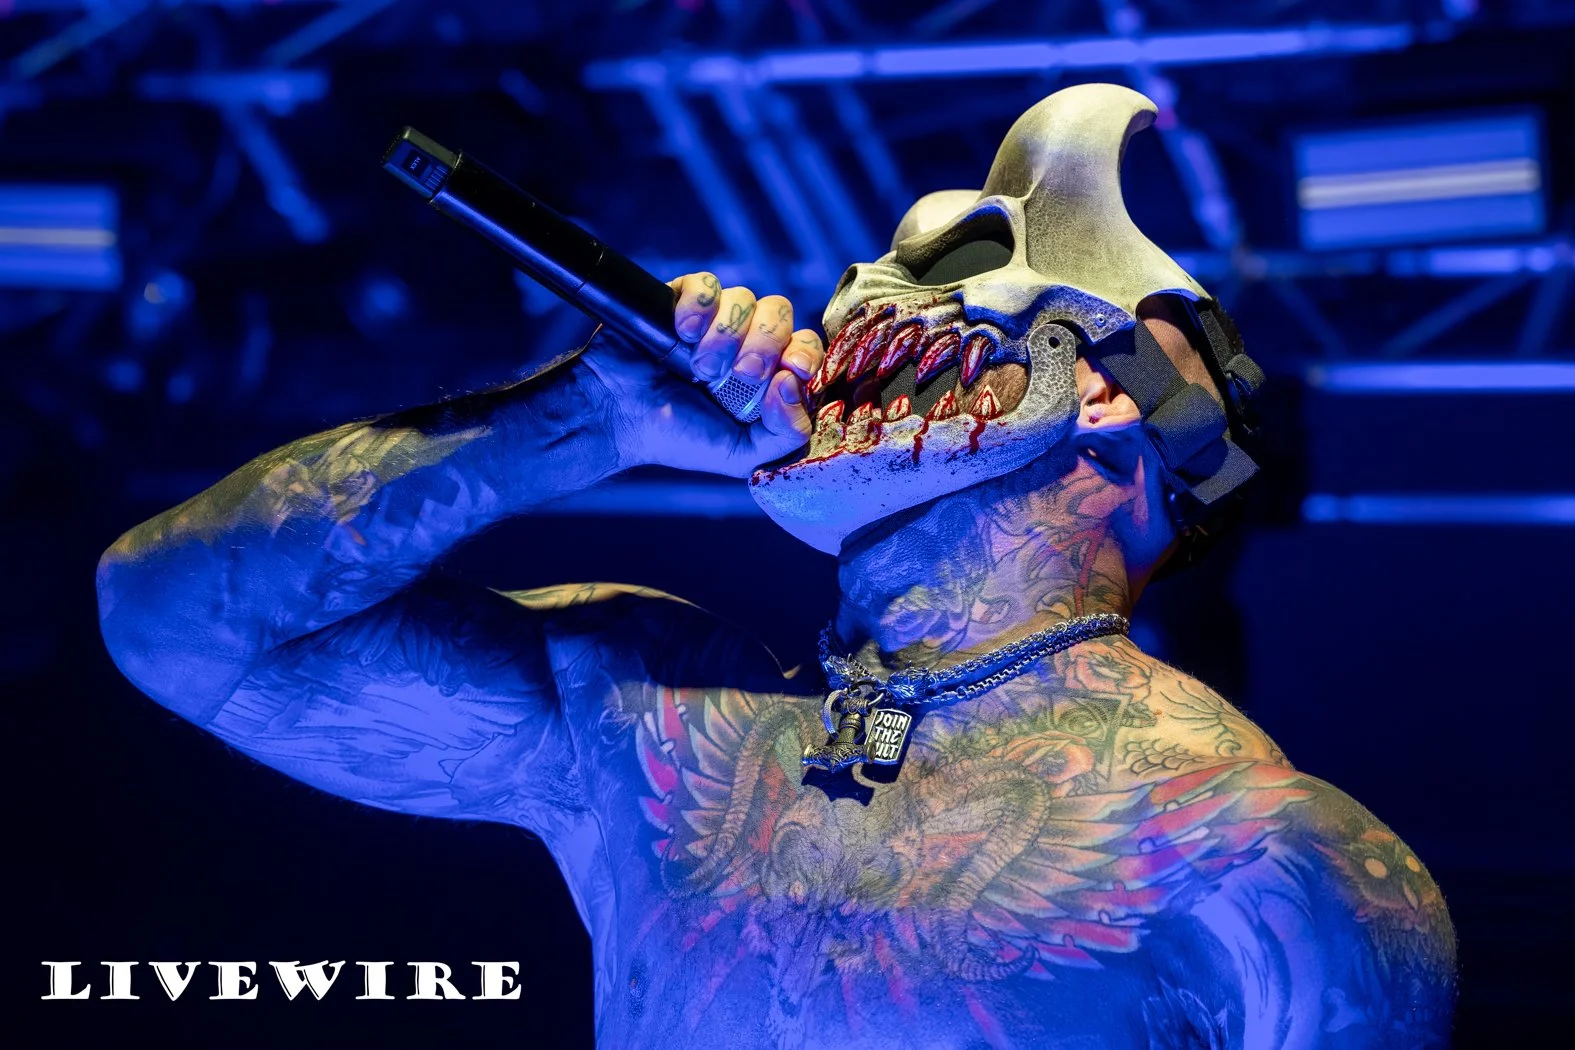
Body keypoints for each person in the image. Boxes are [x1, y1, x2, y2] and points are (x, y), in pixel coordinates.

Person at [97, 84, 1455, 1048]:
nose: (865, 288)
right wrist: (586, 419)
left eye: (963, 273)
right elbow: (166, 617)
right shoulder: (659, 724)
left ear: (1105, 399)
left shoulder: (1269, 857)